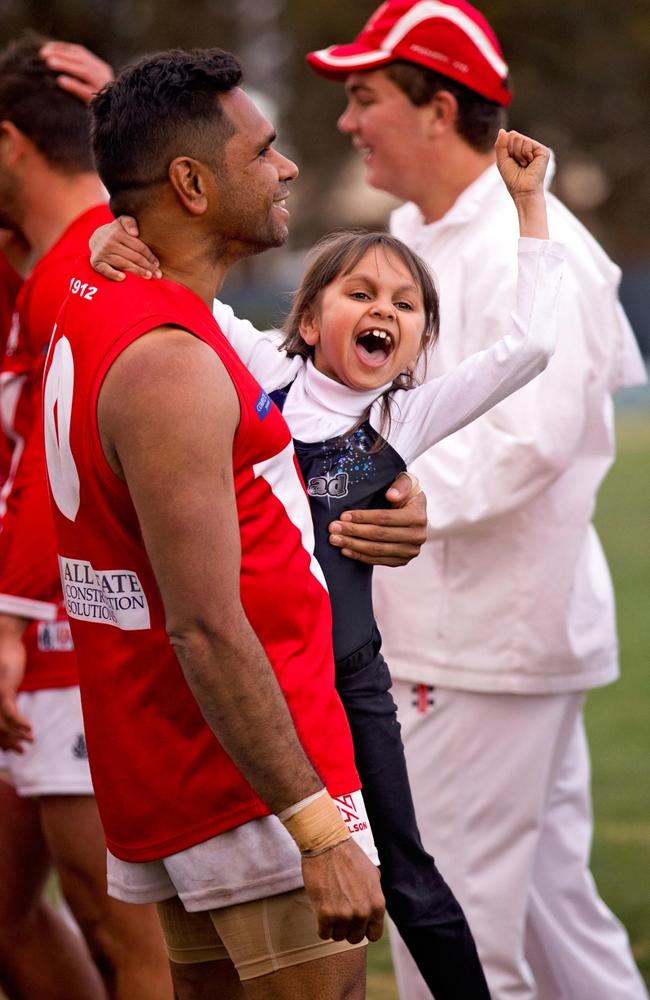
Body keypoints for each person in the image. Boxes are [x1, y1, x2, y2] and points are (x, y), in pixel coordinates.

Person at [91, 122, 563, 1000]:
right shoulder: (257, 365)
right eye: (360, 291)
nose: (385, 310)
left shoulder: (401, 420)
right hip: (252, 680)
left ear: (420, 344)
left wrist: (529, 206)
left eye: (407, 304)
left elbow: (530, 347)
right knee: (235, 896)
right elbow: (170, 281)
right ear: (307, 316)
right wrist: (102, 236)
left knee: (409, 875)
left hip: (349, 680)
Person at [306, 2, 649, 999]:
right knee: (555, 933)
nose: (345, 121)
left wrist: (402, 492)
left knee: (446, 936)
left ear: (436, 108)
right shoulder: (424, 232)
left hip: (478, 643)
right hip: (474, 635)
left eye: (363, 97)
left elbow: (534, 433)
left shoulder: (521, 240)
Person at [41, 46, 396, 1000]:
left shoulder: (105, 299)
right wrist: (318, 830)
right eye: (264, 151)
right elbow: (203, 621)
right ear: (192, 184)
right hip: (247, 780)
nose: (285, 168)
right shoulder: (167, 360)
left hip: (184, 757)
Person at [0, 36, 173, 998]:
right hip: (47, 620)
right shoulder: (40, 267)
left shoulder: (87, 263)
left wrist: (13, 619)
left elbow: (54, 467)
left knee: (127, 923)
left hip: (80, 622)